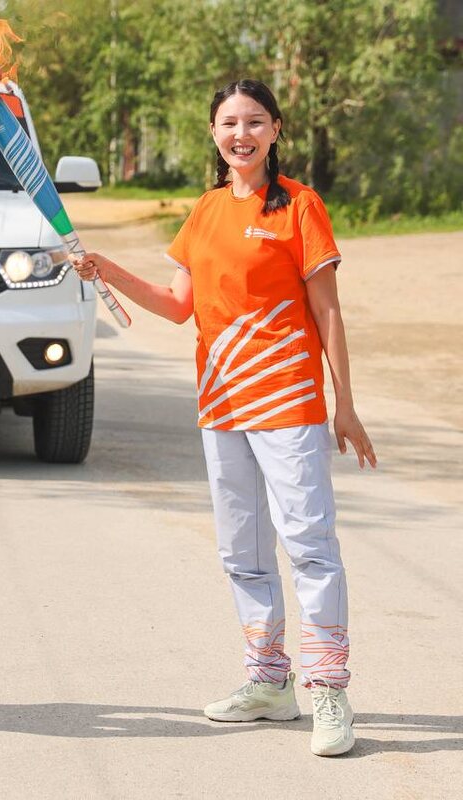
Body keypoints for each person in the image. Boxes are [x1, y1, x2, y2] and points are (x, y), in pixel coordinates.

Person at [70, 79, 376, 757]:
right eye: (229, 123)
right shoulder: (205, 212)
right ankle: (269, 683)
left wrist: (344, 402)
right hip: (223, 404)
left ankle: (328, 690)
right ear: (213, 132)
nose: (242, 134)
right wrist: (106, 268)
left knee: (309, 545)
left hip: (290, 402)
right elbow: (179, 305)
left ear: (275, 131)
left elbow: (327, 310)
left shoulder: (299, 207)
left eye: (255, 123)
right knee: (243, 550)